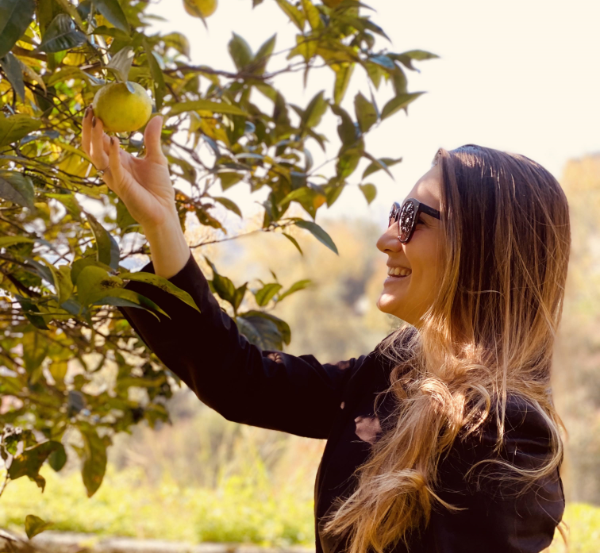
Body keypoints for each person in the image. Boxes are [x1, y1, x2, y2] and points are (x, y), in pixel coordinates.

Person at [81, 107, 568, 553]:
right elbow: (243, 381)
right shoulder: (395, 370)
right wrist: (163, 225)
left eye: (412, 219)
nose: (386, 239)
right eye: (395, 213)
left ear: (481, 248)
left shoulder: (505, 433)